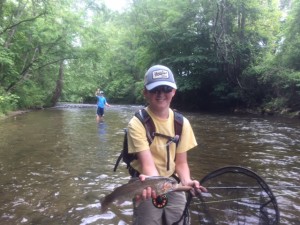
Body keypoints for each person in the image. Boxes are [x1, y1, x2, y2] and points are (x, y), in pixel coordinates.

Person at [127, 65, 206, 225]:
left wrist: (187, 181)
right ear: (145, 93)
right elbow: (148, 167)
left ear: (174, 92)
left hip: (172, 182)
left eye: (166, 88)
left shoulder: (182, 123)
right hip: (146, 182)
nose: (161, 94)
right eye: (155, 89)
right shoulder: (137, 123)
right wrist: (157, 185)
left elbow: (181, 163)